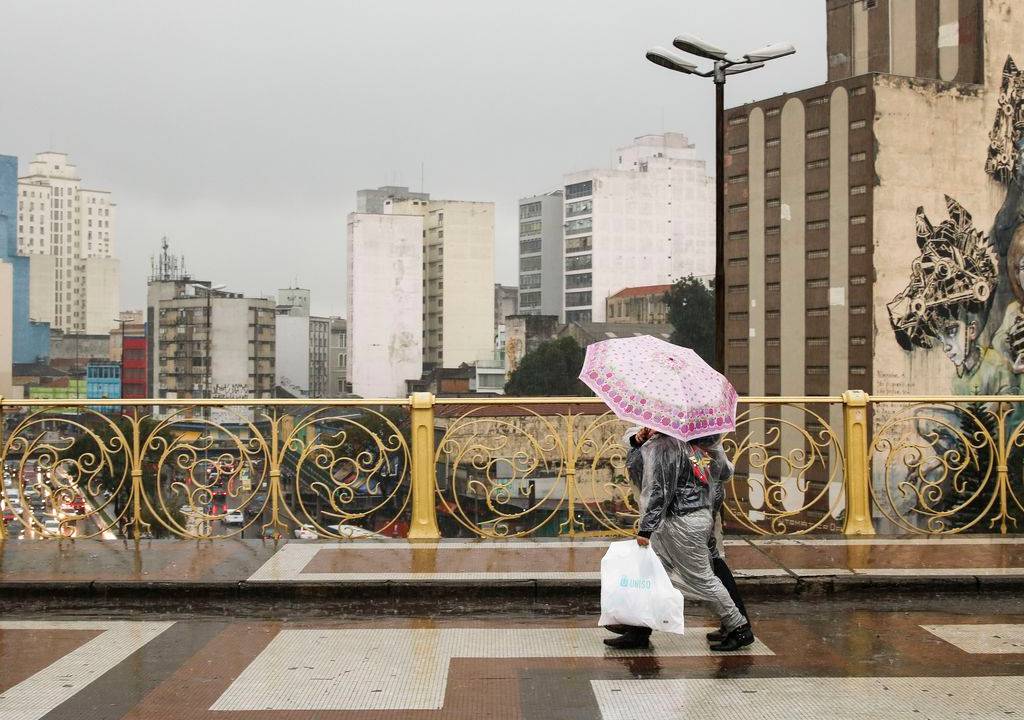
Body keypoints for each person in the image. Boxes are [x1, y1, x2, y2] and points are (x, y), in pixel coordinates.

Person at [604, 429, 754, 651]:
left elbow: (658, 490)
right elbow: (722, 472)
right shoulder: (704, 439)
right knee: (654, 574)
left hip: (680, 521)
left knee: (702, 578)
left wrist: (646, 529)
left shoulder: (665, 445)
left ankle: (739, 628)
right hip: (698, 514)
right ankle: (637, 627)